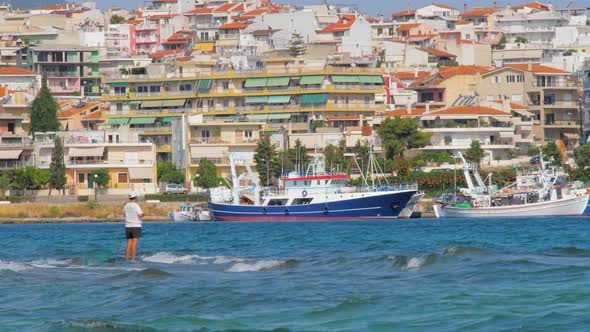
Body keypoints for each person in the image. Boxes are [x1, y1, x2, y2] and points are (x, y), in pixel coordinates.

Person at [123, 191, 144, 262]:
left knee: (129, 244)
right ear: (135, 197)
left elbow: (124, 215)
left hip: (128, 226)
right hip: (136, 226)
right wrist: (143, 214)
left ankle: (126, 260)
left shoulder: (126, 205)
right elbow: (140, 215)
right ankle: (133, 260)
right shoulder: (136, 205)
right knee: (134, 244)